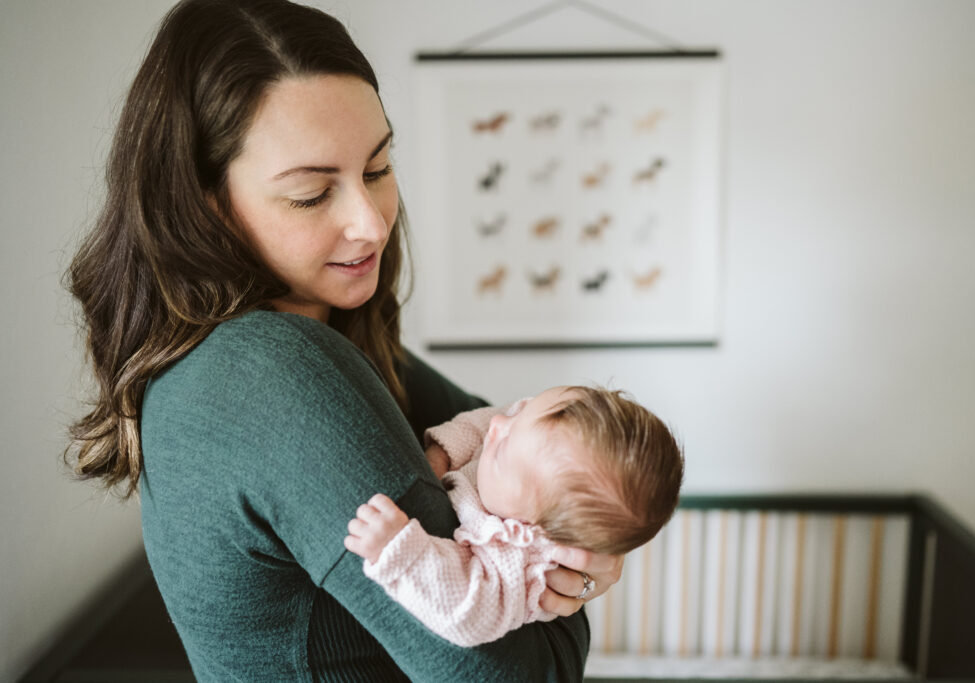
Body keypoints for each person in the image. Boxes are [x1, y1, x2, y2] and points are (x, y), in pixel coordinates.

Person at [63, 0, 623, 680]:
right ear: (205, 205)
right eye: (311, 193)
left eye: (378, 168)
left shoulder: (297, 341)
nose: (370, 223)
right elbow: (512, 674)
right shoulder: (272, 372)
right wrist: (558, 582)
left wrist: (563, 547)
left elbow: (518, 437)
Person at [345, 386, 684, 647]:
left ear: (533, 529)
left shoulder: (516, 558)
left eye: (504, 446)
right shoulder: (524, 440)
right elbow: (487, 420)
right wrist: (443, 452)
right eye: (520, 413)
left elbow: (467, 609)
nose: (498, 424)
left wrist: (398, 548)